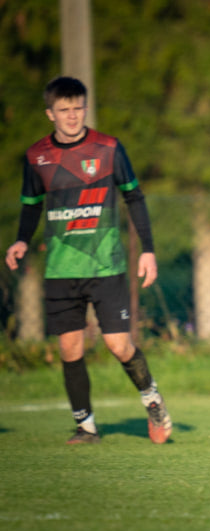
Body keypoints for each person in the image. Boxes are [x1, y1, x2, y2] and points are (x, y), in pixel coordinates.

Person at [4, 76, 172, 445]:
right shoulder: (36, 157)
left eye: (78, 107)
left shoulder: (109, 148)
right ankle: (87, 427)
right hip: (62, 270)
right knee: (70, 348)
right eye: (64, 110)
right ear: (50, 113)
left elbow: (135, 197)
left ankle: (152, 399)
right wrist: (20, 240)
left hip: (105, 265)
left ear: (85, 108)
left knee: (118, 345)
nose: (72, 116)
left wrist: (147, 249)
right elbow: (31, 206)